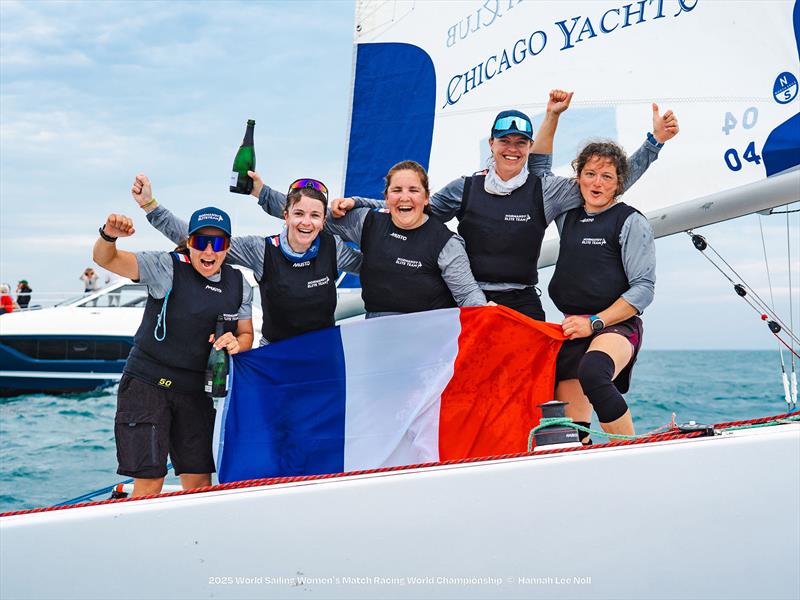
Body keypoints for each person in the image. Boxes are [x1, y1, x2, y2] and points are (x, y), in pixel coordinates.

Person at [332, 90, 679, 321]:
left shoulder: (546, 190)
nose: (512, 148)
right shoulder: (463, 189)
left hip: (521, 301)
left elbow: (607, 182)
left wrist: (654, 143)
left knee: (532, 385)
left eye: (521, 143)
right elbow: (409, 208)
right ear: (492, 143)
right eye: (505, 141)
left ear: (528, 147)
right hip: (464, 299)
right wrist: (359, 202)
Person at [93, 207, 254, 497]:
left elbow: (246, 335)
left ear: (227, 247)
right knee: (150, 481)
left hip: (195, 392)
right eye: (200, 242)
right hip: (147, 384)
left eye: (217, 244)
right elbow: (106, 259)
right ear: (188, 242)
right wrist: (109, 236)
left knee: (199, 484)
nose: (208, 250)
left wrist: (236, 344)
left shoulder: (239, 284)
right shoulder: (165, 267)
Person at [134, 174, 361, 344]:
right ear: (286, 215)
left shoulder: (333, 248)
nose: (306, 223)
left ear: (323, 221)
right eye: (299, 213)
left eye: (315, 216)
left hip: (323, 354)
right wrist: (151, 207)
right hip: (275, 353)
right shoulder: (260, 249)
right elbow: (197, 239)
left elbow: (375, 268)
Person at [255, 161, 488, 317]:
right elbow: (310, 213)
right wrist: (261, 191)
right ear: (387, 197)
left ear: (427, 198)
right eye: (396, 190)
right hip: (377, 333)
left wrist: (489, 316)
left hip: (428, 338)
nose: (404, 198)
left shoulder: (447, 243)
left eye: (413, 190)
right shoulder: (367, 222)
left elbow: (467, 294)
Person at [550, 141, 661, 439]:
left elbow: (644, 289)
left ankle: (629, 450)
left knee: (594, 372)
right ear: (579, 178)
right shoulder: (567, 217)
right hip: (574, 328)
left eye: (607, 176)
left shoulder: (631, 221)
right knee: (570, 434)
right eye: (590, 173)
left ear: (619, 183)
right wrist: (553, 116)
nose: (597, 182)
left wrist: (594, 322)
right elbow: (538, 172)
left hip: (616, 326)